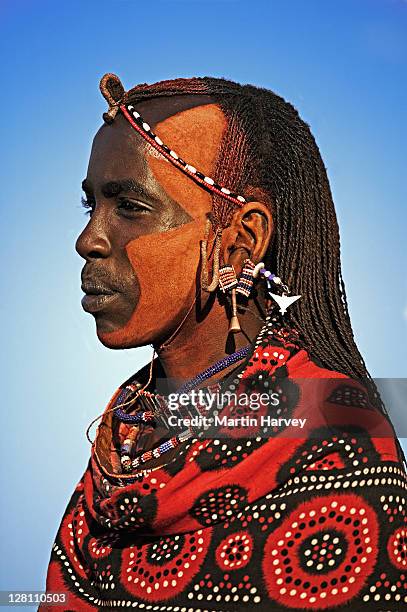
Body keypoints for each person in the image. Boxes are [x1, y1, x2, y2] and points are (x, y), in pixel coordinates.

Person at [42, 73, 407, 611]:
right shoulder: (128, 430)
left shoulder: (337, 438)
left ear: (241, 238)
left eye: (131, 207)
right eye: (90, 205)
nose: (89, 239)